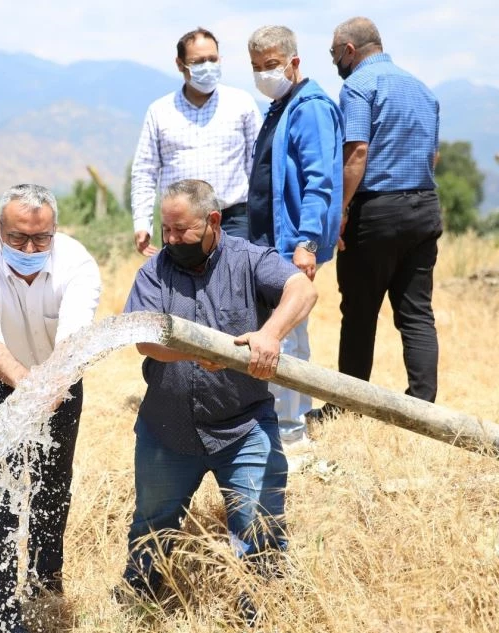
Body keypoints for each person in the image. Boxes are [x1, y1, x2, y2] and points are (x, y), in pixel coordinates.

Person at [120, 179, 317, 606]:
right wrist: (201, 352)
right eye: (165, 229)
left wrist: (270, 334)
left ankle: (262, 614)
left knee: (259, 527)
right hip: (166, 429)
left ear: (213, 221)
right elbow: (144, 338)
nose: (170, 240)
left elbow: (302, 290)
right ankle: (138, 607)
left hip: (243, 426)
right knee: (152, 529)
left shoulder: (250, 260)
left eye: (181, 231)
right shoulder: (154, 270)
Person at [0, 184, 101, 633]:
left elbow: (75, 334)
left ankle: (44, 585)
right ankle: (4, 615)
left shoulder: (77, 264)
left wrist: (52, 382)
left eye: (41, 238)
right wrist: (28, 383)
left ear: (55, 230)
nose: (31, 249)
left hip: (60, 374)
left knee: (54, 481)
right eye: (18, 239)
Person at [312, 17, 442, 421]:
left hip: (376, 211)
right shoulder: (422, 89)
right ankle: (423, 412)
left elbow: (357, 154)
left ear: (350, 50)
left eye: (334, 54)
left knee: (360, 311)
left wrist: (341, 211)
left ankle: (348, 406)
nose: (334, 61)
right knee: (416, 312)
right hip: (424, 206)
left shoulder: (357, 87)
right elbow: (432, 156)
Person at [246, 25, 343, 444]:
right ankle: (279, 424)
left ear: (294, 62)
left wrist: (307, 242)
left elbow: (320, 181)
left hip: (292, 245)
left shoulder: (311, 108)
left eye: (271, 65)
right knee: (276, 332)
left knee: (289, 336)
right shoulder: (280, 106)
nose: (264, 74)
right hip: (270, 243)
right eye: (256, 67)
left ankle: (291, 432)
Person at [130, 27, 262, 256]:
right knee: (181, 288)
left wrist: (263, 218)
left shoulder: (241, 104)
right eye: (199, 61)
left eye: (213, 59)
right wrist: (142, 222)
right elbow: (145, 171)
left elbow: (258, 165)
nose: (208, 66)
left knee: (236, 287)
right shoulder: (160, 111)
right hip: (179, 225)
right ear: (180, 64)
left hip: (233, 220)